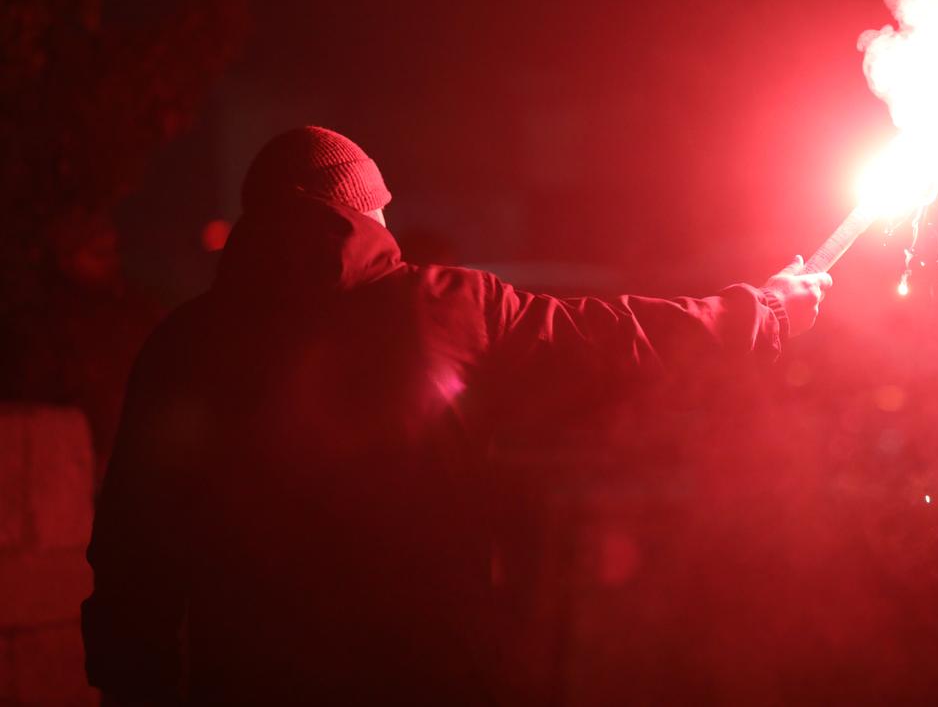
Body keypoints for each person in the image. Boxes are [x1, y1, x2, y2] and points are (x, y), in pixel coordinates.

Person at [82, 126, 832, 706]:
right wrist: (761, 314)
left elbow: (132, 540)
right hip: (421, 676)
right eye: (380, 207)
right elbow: (606, 338)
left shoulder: (182, 345)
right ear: (356, 209)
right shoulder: (430, 307)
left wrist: (131, 681)